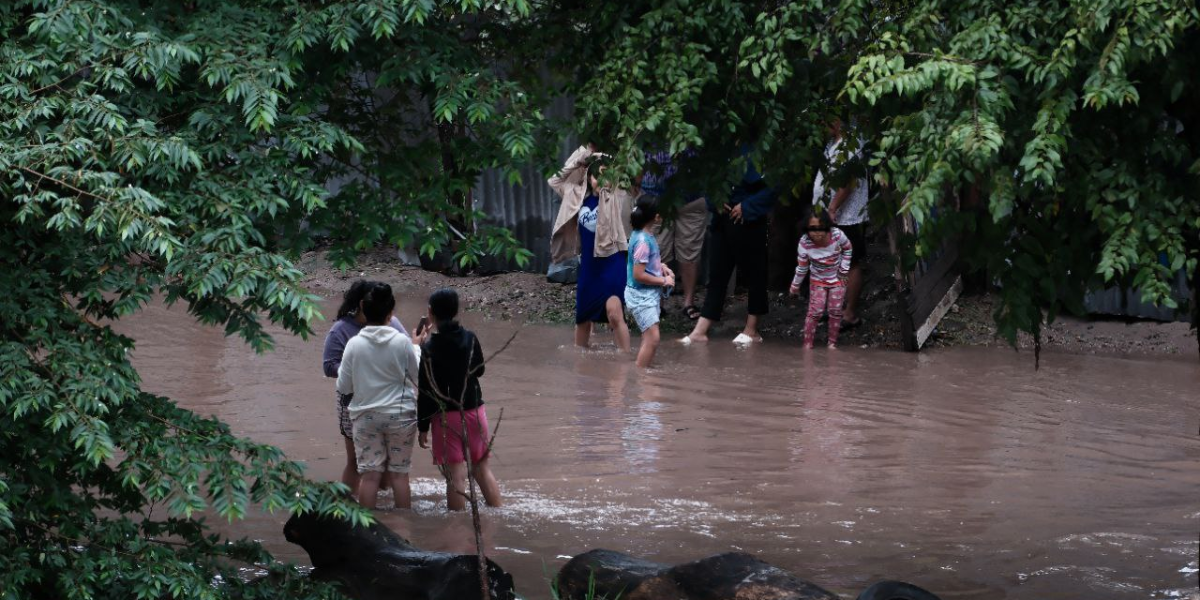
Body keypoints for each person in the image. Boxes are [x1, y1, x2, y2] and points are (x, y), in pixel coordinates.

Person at [335, 283, 420, 510]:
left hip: (365, 417)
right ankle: (404, 529)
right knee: (399, 475)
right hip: (401, 415)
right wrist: (417, 348)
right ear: (391, 314)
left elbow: (343, 386)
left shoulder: (353, 344)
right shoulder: (402, 342)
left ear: (363, 307)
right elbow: (418, 375)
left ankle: (367, 528)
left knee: (370, 476)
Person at [416, 289, 502, 511]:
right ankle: (499, 511)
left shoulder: (429, 348)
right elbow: (480, 370)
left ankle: (457, 526)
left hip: (446, 416)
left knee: (455, 475)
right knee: (482, 468)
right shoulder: (470, 338)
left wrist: (422, 426)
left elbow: (426, 391)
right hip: (475, 410)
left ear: (430, 313)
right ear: (456, 311)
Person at [322, 280, 409, 494]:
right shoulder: (341, 330)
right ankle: (348, 505)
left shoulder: (392, 322)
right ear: (363, 304)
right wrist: (362, 369)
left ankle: (383, 508)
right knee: (356, 461)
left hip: (387, 402)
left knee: (387, 460)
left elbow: (407, 351)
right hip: (354, 404)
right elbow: (328, 366)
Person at [683, 149, 777, 345]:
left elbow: (773, 187)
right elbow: (708, 184)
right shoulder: (720, 146)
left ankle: (752, 329)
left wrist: (747, 207)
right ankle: (700, 330)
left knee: (755, 273)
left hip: (749, 217)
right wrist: (714, 201)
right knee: (717, 274)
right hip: (722, 217)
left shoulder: (760, 148)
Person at [548, 146, 633, 351]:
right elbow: (555, 180)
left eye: (606, 174)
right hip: (589, 265)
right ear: (588, 176)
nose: (601, 180)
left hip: (613, 262)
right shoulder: (577, 196)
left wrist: (607, 157)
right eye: (597, 175)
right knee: (583, 319)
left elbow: (627, 169)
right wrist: (583, 157)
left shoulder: (618, 195)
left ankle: (626, 361)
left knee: (614, 312)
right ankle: (581, 363)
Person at [813, 119, 869, 328]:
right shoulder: (832, 143)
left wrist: (833, 207)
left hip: (847, 216)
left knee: (850, 263)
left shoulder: (853, 142)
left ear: (837, 120)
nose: (822, 126)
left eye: (826, 121)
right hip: (829, 214)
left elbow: (848, 181)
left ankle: (850, 314)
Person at [641, 149, 706, 319]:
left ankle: (688, 303)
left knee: (689, 253)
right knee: (657, 253)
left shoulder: (696, 124)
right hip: (656, 198)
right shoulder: (646, 126)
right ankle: (658, 305)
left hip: (691, 199)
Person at [789, 208, 853, 349]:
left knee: (835, 311)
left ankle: (832, 344)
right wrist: (795, 285)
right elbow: (802, 267)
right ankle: (807, 345)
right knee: (815, 311)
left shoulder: (837, 235)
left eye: (821, 228)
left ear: (827, 227)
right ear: (806, 228)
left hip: (838, 278)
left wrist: (843, 270)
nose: (817, 232)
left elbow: (848, 249)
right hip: (817, 280)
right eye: (813, 229)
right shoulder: (804, 243)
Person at [625, 197, 675, 368]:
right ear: (655, 216)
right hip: (641, 296)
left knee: (649, 338)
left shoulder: (643, 234)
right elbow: (638, 274)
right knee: (653, 338)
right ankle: (642, 377)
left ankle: (644, 370)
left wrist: (661, 266)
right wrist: (664, 280)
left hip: (645, 294)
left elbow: (644, 263)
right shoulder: (643, 242)